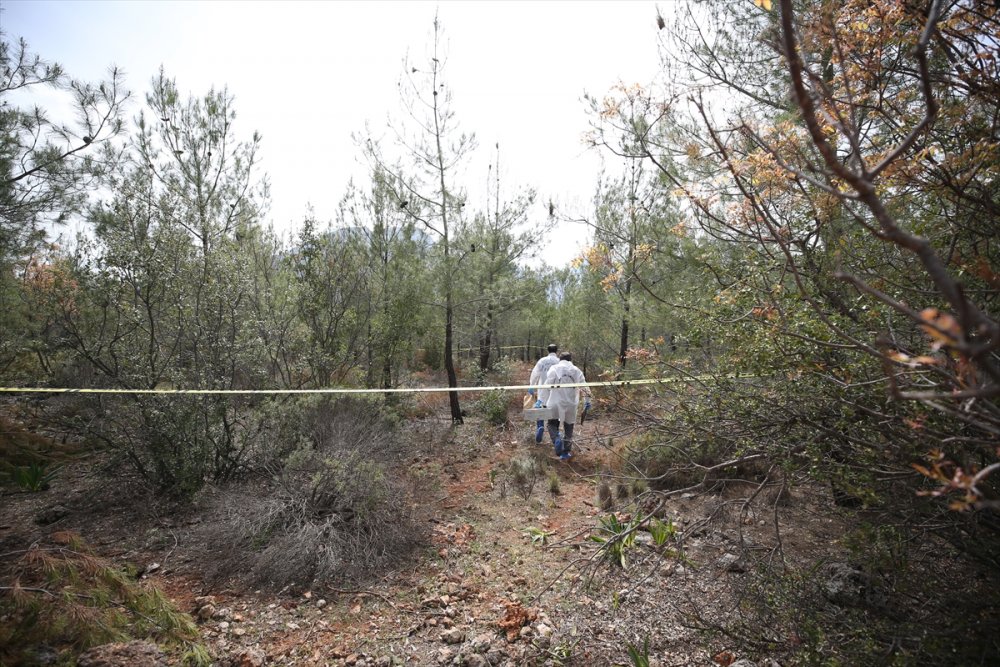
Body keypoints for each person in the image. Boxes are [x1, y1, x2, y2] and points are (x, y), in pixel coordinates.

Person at [539, 352, 591, 460]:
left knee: (552, 424)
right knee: (569, 427)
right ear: (570, 360)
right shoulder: (577, 370)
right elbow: (584, 386)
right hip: (571, 404)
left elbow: (547, 385)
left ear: (560, 359)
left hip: (555, 401)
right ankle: (566, 452)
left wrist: (541, 401)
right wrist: (587, 401)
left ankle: (557, 439)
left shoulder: (554, 368)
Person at [528, 343, 560, 444]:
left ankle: (540, 426)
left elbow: (535, 373)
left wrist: (531, 385)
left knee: (541, 407)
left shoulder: (542, 361)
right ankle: (556, 432)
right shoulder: (559, 362)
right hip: (556, 390)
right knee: (555, 411)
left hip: (542, 388)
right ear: (556, 351)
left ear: (548, 350)